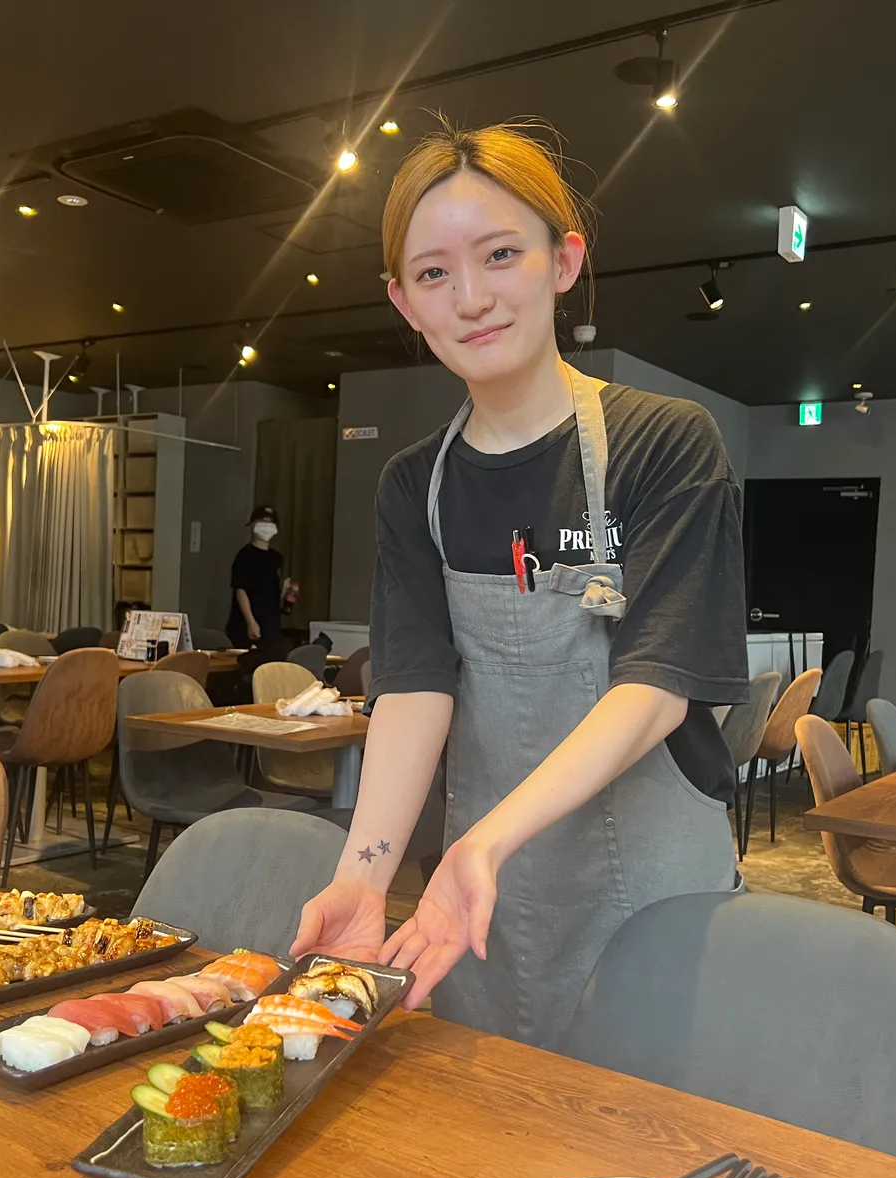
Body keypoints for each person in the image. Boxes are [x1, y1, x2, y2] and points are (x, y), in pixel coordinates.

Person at [289, 122, 749, 1049]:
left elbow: (656, 688)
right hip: (480, 897)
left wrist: (487, 841)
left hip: (650, 879)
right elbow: (415, 688)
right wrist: (367, 875)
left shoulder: (667, 442)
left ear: (564, 261)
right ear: (403, 302)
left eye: (501, 254)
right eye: (432, 274)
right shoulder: (413, 486)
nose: (471, 297)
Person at [224, 504, 293, 648]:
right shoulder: (245, 556)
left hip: (271, 626)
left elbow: (274, 594)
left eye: (270, 523)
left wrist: (286, 593)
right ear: (252, 525)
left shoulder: (276, 558)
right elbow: (240, 590)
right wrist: (251, 622)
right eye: (262, 522)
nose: (266, 527)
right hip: (246, 625)